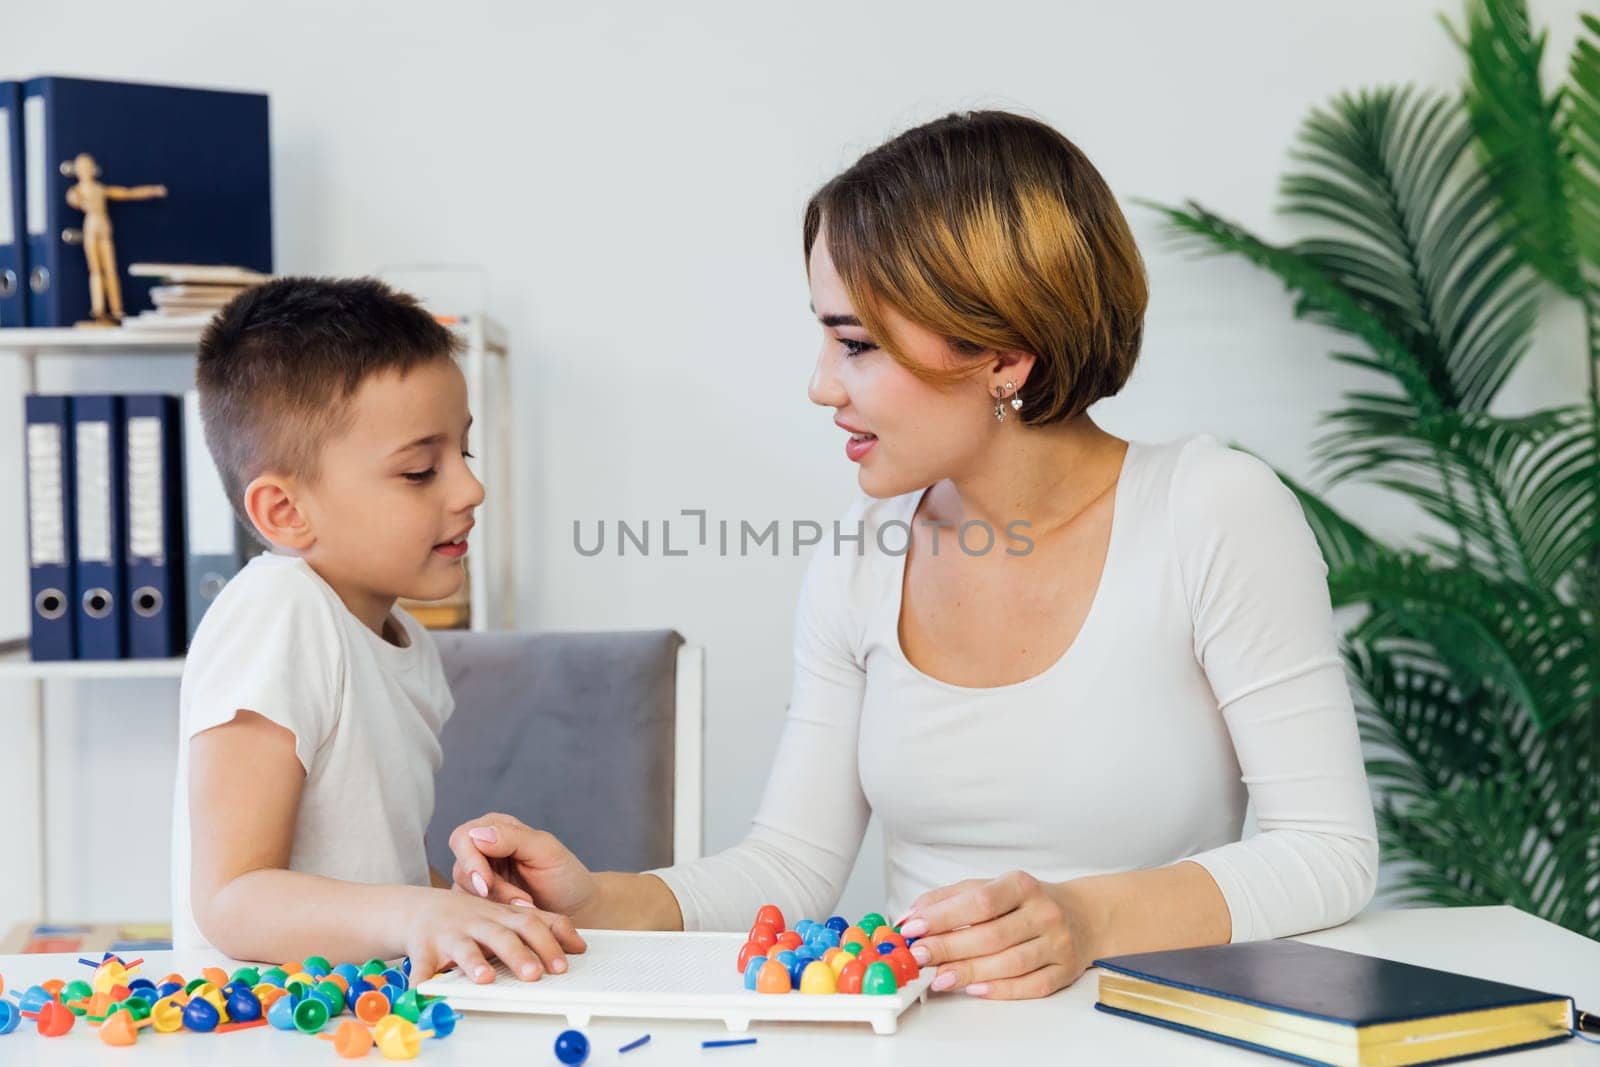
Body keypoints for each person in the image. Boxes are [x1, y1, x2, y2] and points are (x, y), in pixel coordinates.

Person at [450, 110, 1378, 1000]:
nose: (820, 385)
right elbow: (790, 867)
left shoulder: (1212, 512)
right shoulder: (861, 557)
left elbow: (1328, 850)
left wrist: (1086, 918)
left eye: (855, 343)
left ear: (1005, 359)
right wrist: (597, 900)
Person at [170, 277, 584, 983]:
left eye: (465, 453)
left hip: (361, 1018)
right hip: (261, 1026)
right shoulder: (279, 611)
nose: (469, 489)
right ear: (285, 512)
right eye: (421, 469)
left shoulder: (405, 644)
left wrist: (461, 909)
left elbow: (362, 869)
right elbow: (232, 897)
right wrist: (414, 914)